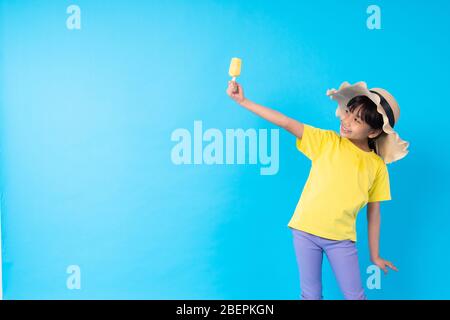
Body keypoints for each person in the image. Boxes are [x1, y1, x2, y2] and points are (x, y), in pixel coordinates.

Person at [226, 80, 409, 300]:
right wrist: (243, 101)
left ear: (373, 132)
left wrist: (375, 255)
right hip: (305, 231)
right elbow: (285, 122)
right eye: (348, 112)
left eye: (357, 120)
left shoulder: (377, 167)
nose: (346, 121)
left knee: (355, 297)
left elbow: (374, 214)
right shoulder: (326, 141)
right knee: (310, 296)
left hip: (341, 240)